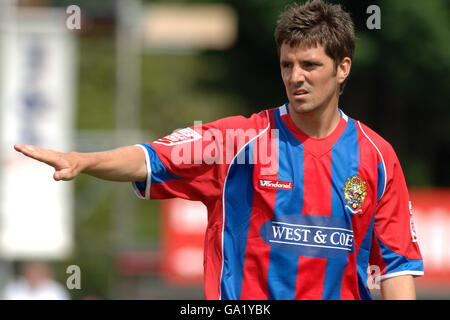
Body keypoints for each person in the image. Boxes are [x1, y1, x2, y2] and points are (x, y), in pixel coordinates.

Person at [14, 0, 423, 300]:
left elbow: (397, 267)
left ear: (343, 68)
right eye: (286, 65)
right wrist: (83, 161)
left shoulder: (377, 157)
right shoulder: (236, 143)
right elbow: (151, 158)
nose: (295, 77)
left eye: (310, 66)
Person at [1, 262, 70, 300]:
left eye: (37, 272)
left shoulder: (56, 291)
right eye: (31, 271)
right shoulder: (13, 288)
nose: (33, 274)